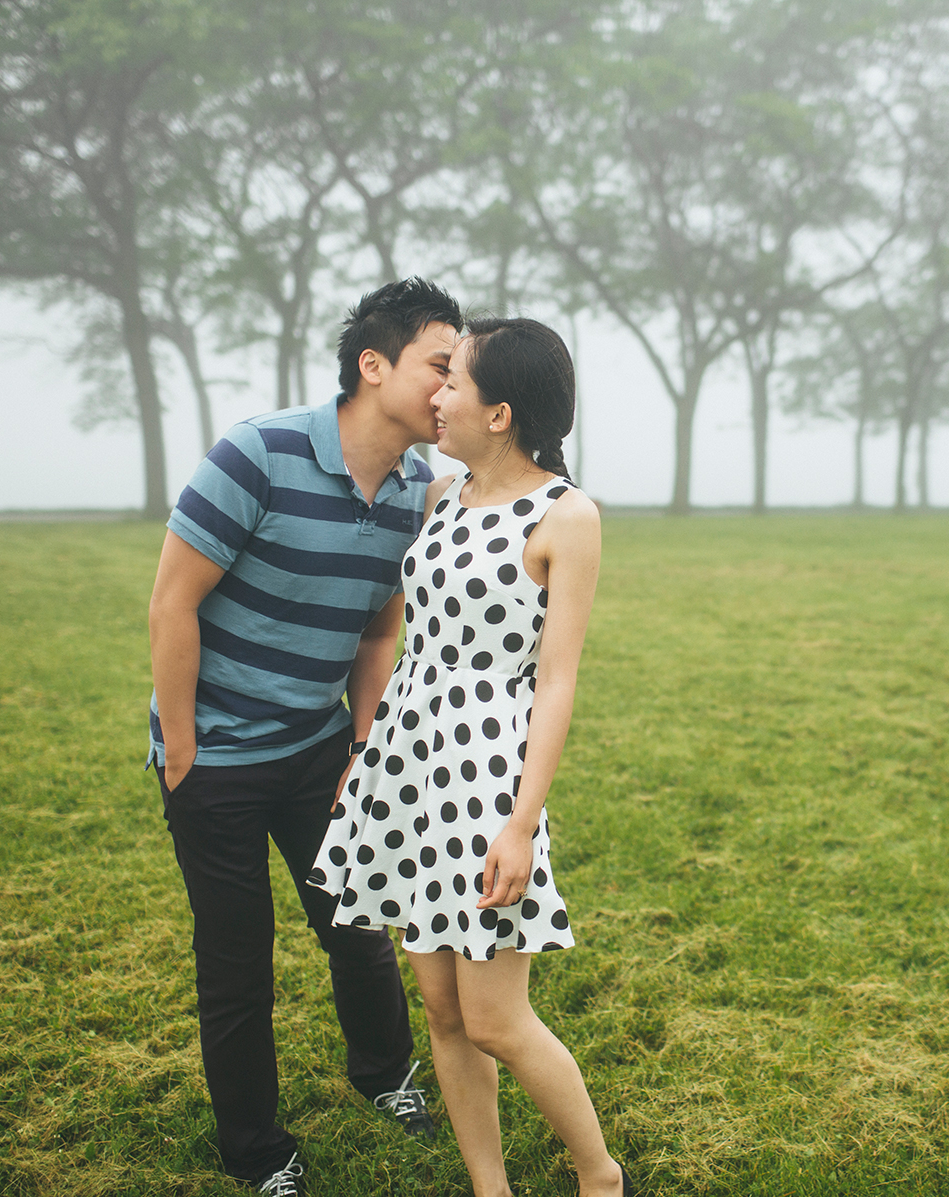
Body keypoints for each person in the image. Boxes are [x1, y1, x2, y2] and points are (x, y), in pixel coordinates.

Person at [146, 278, 463, 1195]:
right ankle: (257, 1150)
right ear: (374, 365)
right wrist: (183, 747)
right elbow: (173, 601)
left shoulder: (415, 493)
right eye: (439, 367)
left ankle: (385, 1074)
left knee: (356, 922)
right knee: (236, 962)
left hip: (319, 747)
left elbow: (375, 633)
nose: (452, 390)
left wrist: (362, 746)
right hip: (212, 759)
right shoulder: (260, 452)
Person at [309, 317, 633, 1197]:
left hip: (490, 773)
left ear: (500, 412)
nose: (438, 394)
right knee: (445, 1013)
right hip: (412, 766)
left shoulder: (568, 515)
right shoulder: (439, 495)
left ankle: (600, 1176)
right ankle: (491, 1188)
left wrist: (522, 824)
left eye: (455, 380)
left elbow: (557, 681)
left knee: (496, 1017)